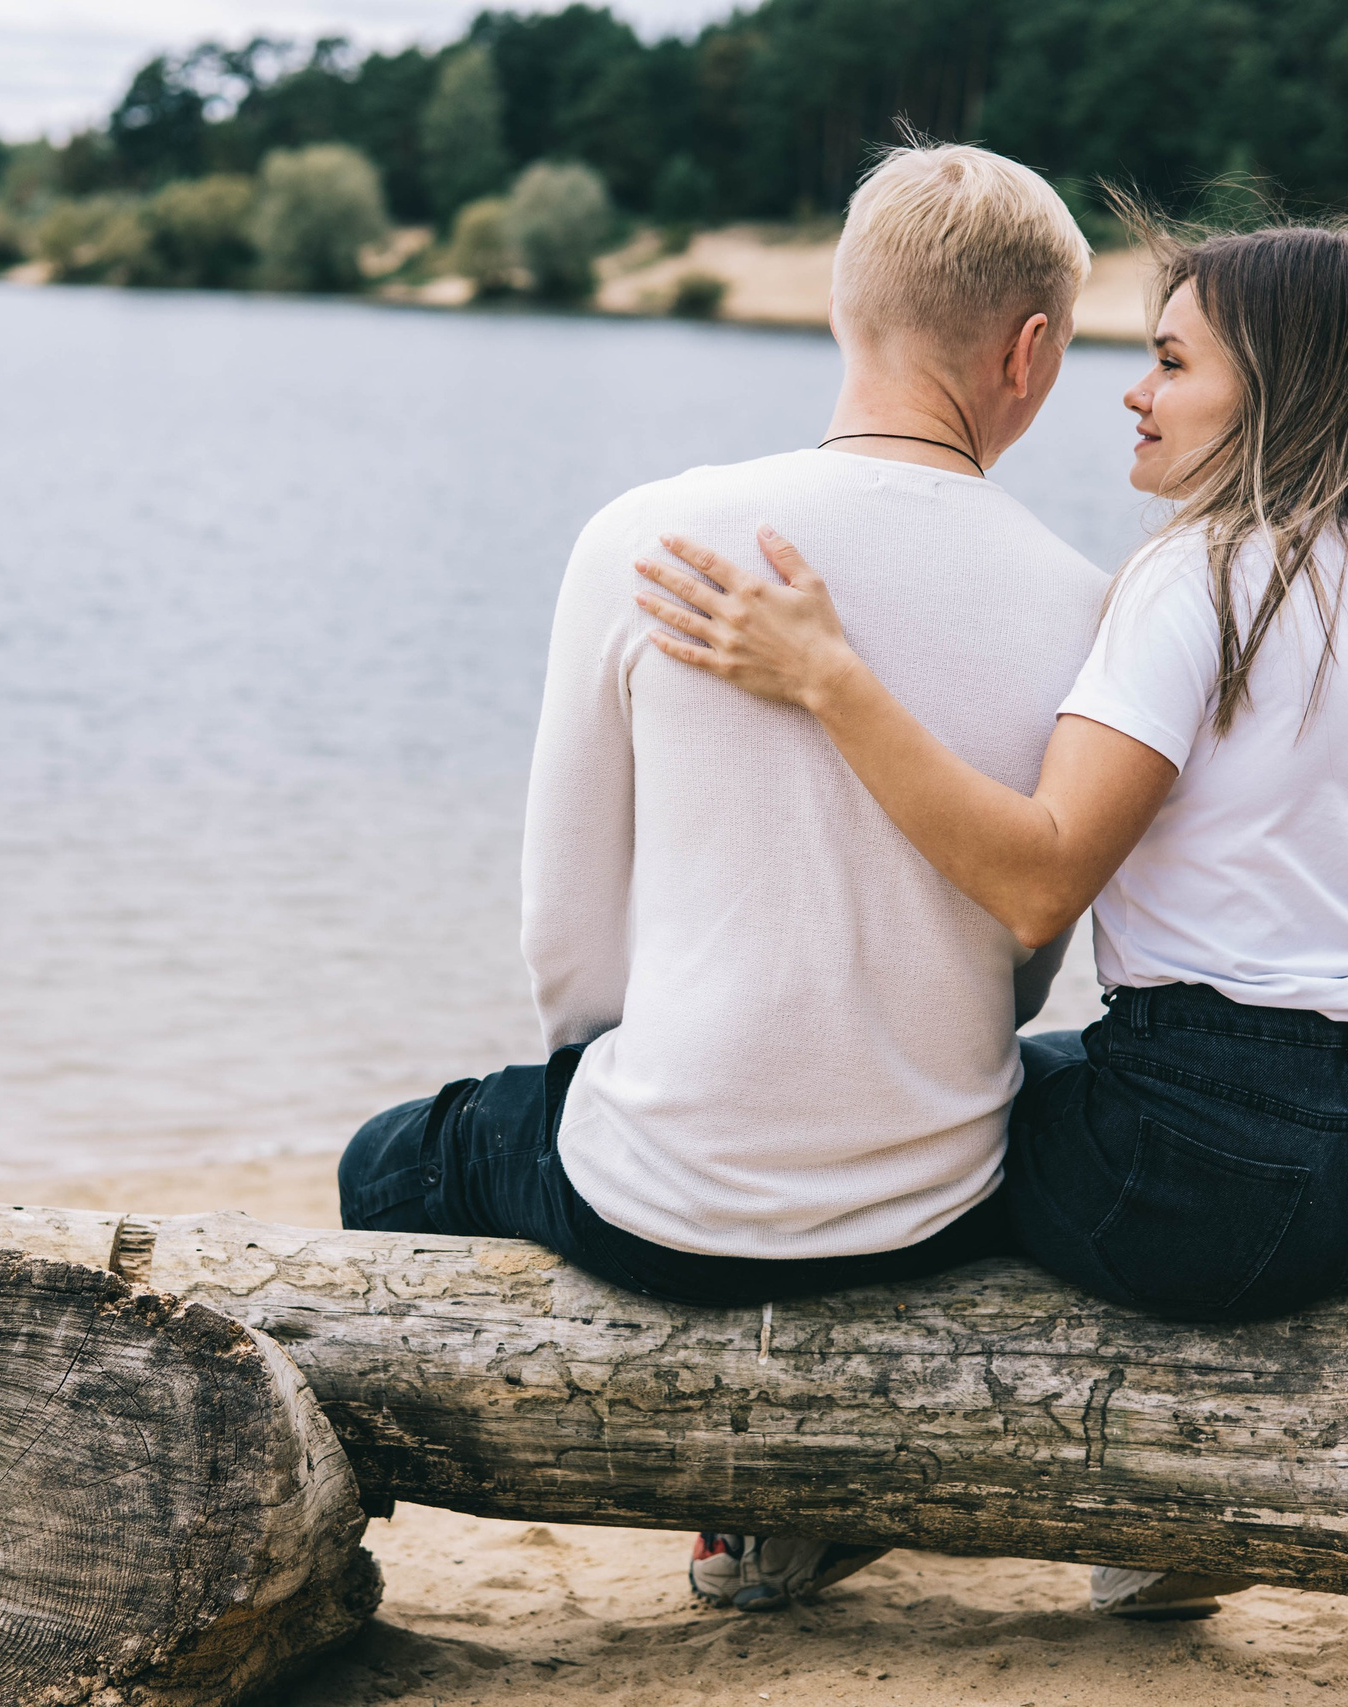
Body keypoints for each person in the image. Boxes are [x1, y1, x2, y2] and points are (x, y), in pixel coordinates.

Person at [634, 211, 1348, 1619]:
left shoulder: (1195, 578)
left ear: (1272, 387)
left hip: (1220, 1170)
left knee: (904, 1141)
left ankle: (801, 1507)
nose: (1134, 394)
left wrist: (826, 678)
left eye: (1169, 361)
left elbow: (1036, 876)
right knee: (1047, 1084)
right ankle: (1174, 1524)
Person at [337, 142, 1106, 1609]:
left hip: (669, 1208)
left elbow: (566, 934)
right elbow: (1025, 949)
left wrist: (658, 1080)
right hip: (934, 1203)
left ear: (839, 306)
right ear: (1031, 351)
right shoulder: (1083, 602)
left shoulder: (648, 538)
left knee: (391, 1161)